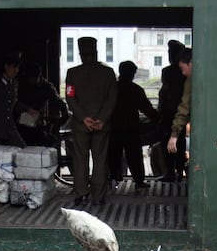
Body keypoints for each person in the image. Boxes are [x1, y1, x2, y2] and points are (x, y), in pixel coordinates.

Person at [65, 36, 117, 207]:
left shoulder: (72, 73)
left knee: (80, 158)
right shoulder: (108, 73)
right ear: (96, 52)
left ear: (80, 53)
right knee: (100, 159)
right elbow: (112, 98)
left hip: (81, 125)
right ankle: (98, 197)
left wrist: (83, 118)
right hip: (102, 125)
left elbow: (70, 98)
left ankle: (81, 194)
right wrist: (101, 119)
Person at [108, 60, 160, 190]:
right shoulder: (135, 89)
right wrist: (159, 119)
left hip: (113, 127)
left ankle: (113, 179)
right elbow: (147, 109)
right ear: (132, 74)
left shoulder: (111, 88)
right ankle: (139, 181)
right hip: (131, 128)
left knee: (113, 155)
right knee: (134, 156)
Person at [16, 62, 70, 147]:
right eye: (30, 78)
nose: (31, 80)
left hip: (38, 122)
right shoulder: (21, 84)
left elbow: (58, 101)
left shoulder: (46, 86)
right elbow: (14, 102)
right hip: (21, 121)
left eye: (34, 78)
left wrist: (63, 117)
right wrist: (27, 109)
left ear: (39, 77)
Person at [158, 40, 187, 183]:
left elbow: (164, 93)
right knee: (179, 143)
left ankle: (170, 172)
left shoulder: (168, 72)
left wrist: (159, 111)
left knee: (168, 144)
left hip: (170, 112)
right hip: (179, 112)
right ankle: (179, 172)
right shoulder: (183, 72)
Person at [167, 47, 192, 167]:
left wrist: (174, 134)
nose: (182, 73)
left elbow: (184, 108)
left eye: (183, 68)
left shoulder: (190, 80)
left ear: (191, 63)